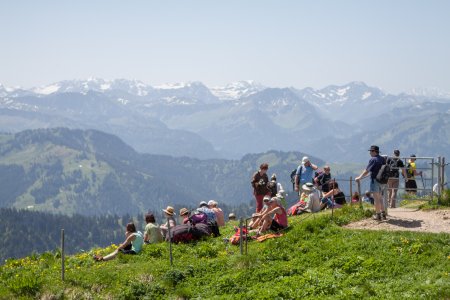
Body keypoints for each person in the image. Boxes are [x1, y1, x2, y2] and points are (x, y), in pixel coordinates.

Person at [355, 145, 386, 221]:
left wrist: (359, 177)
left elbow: (367, 170)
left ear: (374, 151)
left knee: (376, 199)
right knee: (380, 198)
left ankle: (378, 215)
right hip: (382, 181)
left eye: (371, 151)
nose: (370, 153)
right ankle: (383, 214)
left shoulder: (373, 159)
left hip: (375, 180)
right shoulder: (382, 159)